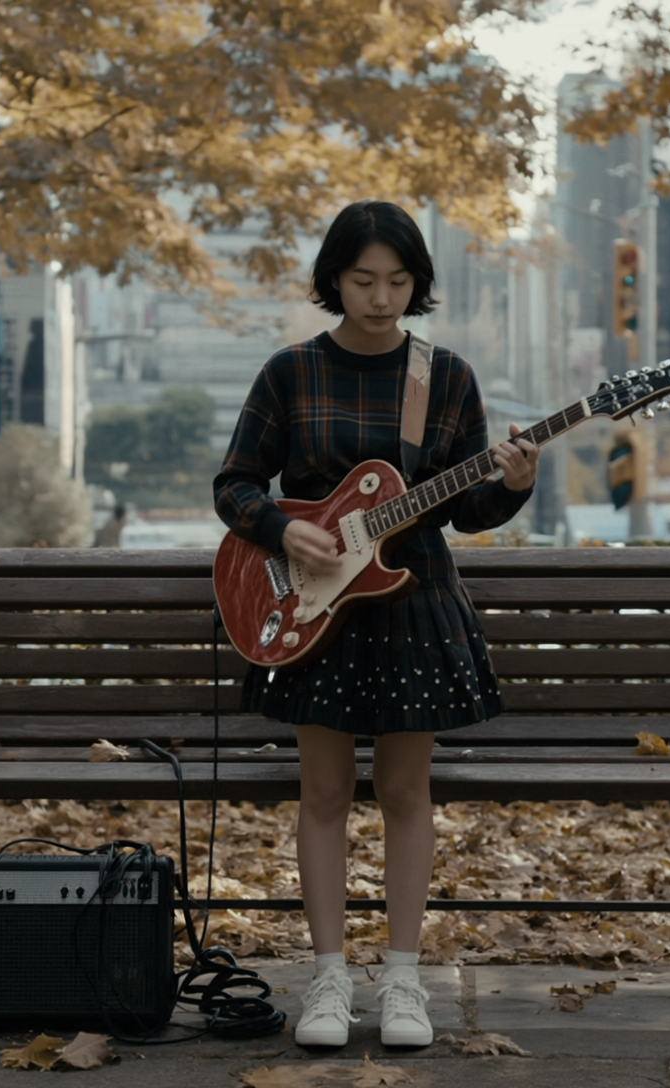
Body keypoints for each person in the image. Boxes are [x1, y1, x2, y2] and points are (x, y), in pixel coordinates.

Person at [213, 201, 539, 1048]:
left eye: (399, 281)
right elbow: (235, 484)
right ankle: (327, 979)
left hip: (413, 600)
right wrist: (283, 530)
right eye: (364, 280)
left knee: (404, 792)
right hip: (312, 605)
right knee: (321, 793)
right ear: (333, 279)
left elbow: (466, 511)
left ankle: (403, 982)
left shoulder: (446, 377)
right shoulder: (290, 372)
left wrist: (512, 481)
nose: (382, 297)